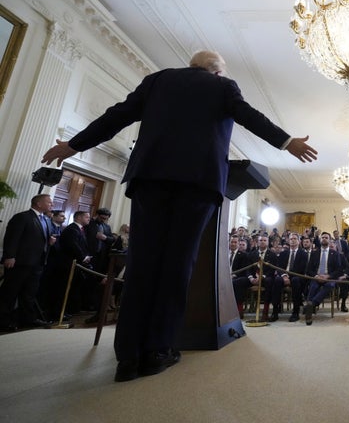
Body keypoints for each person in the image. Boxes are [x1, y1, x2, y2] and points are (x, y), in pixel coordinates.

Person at [41, 50, 318, 382]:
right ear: (217, 73)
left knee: (142, 265)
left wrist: (73, 145)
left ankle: (127, 357)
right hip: (197, 184)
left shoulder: (157, 80)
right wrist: (288, 143)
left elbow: (116, 116)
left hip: (150, 180)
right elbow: (250, 116)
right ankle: (158, 350)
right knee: (176, 266)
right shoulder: (223, 87)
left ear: (192, 66)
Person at [0, 194, 54, 332]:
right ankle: (4, 321)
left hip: (37, 264)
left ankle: (27, 319)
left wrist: (50, 242)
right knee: (10, 293)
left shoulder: (46, 220)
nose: (51, 205)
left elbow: (41, 239)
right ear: (38, 203)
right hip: (19, 263)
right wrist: (9, 256)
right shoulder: (22, 217)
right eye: (49, 202)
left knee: (29, 294)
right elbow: (12, 238)